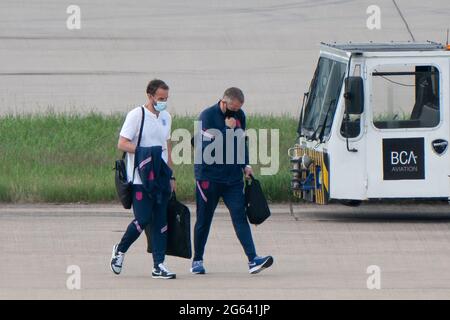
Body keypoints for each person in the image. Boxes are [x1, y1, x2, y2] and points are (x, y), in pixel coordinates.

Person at [192, 87, 274, 275]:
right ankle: (197, 260)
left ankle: (253, 259)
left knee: (240, 217)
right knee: (204, 220)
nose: (236, 112)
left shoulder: (239, 116)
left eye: (238, 109)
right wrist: (225, 129)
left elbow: (240, 140)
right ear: (224, 101)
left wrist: (245, 164)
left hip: (232, 179)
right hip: (208, 177)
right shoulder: (207, 116)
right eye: (233, 108)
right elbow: (206, 148)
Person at [110, 79, 177, 280]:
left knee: (161, 222)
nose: (163, 102)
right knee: (143, 219)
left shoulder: (166, 117)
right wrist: (145, 154)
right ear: (149, 96)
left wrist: (172, 175)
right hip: (140, 178)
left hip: (161, 178)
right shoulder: (136, 115)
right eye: (160, 98)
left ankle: (159, 265)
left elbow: (167, 146)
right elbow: (122, 143)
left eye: (166, 99)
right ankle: (120, 251)